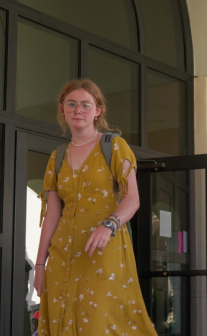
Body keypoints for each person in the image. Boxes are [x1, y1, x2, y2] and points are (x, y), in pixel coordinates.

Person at [33, 79, 157, 335]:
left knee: (100, 322)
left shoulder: (114, 146)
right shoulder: (56, 156)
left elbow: (132, 200)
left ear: (98, 110)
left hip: (103, 248)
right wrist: (40, 265)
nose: (78, 110)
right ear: (62, 109)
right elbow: (53, 215)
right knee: (61, 320)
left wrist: (109, 224)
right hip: (62, 254)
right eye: (72, 104)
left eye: (85, 105)